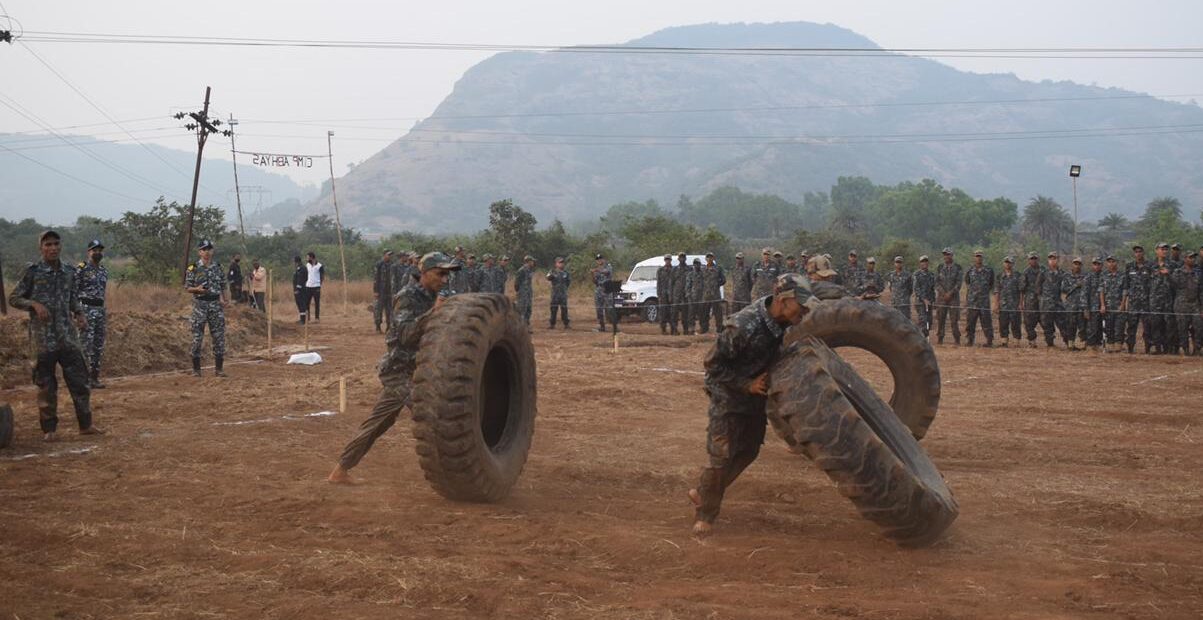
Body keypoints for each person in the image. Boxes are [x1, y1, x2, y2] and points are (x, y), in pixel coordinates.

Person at [688, 273, 821, 536]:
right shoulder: (742, 326)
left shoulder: (787, 323)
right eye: (801, 304)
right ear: (783, 300)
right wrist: (745, 384)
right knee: (722, 456)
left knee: (748, 452)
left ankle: (704, 491)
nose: (805, 311)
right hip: (727, 395)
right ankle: (705, 515)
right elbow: (712, 367)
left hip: (755, 399)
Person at [329, 252, 458, 484]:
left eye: (447, 275)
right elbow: (406, 336)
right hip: (400, 371)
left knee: (380, 421)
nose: (445, 279)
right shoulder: (407, 297)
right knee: (433, 415)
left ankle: (341, 469)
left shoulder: (435, 296)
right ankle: (454, 473)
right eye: (440, 274)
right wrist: (435, 313)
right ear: (425, 273)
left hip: (419, 370)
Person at [8, 230, 105, 442]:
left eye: (56, 244)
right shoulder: (33, 272)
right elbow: (14, 298)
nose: (53, 248)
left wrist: (79, 314)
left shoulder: (69, 271)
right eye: (48, 244)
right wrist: (33, 304)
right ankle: (49, 429)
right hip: (43, 339)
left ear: (60, 246)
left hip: (67, 336)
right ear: (41, 248)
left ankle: (86, 424)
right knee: (46, 385)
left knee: (80, 381)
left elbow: (72, 298)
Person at [185, 239, 229, 377]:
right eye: (204, 249)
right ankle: (196, 369)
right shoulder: (193, 268)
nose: (207, 252)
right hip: (200, 305)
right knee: (197, 337)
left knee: (219, 337)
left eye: (209, 249)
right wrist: (197, 289)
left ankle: (219, 369)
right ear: (199, 252)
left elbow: (223, 285)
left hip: (215, 305)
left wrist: (224, 299)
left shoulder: (218, 267)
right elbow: (187, 287)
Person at [75, 239, 109, 388]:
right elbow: (73, 291)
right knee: (85, 346)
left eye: (100, 250)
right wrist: (77, 313)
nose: (97, 253)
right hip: (86, 309)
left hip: (100, 310)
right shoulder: (81, 269)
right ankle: (82, 380)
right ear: (89, 251)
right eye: (95, 250)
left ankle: (94, 378)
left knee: (98, 345)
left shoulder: (103, 271)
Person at [1170, 251, 1202, 356]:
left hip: (1195, 305)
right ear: (1185, 259)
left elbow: (1201, 291)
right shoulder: (1177, 272)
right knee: (1182, 328)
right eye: (1190, 257)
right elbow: (1173, 287)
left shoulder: (1198, 273)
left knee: (1199, 328)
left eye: (1194, 257)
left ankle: (1197, 349)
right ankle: (1185, 349)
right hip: (1181, 305)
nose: (1193, 259)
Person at [1123, 245, 1153, 354]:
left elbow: (1152, 284)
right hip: (1133, 303)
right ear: (1134, 254)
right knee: (1131, 326)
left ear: (1143, 253)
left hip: (1146, 302)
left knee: (1147, 327)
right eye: (1136, 252)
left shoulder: (1149, 266)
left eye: (1140, 251)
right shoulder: (1129, 266)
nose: (1138, 253)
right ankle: (1130, 348)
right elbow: (1126, 285)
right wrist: (1123, 303)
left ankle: (1148, 348)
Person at [962, 250, 994, 347]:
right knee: (970, 322)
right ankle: (969, 340)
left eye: (980, 256)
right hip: (972, 301)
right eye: (977, 256)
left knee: (987, 322)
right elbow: (967, 283)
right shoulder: (970, 270)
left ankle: (989, 341)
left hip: (984, 301)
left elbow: (991, 284)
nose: (978, 258)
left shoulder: (989, 270)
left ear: (982, 258)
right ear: (974, 257)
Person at [1148, 243, 1174, 354]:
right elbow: (1145, 282)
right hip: (1155, 300)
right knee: (1155, 324)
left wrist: (1169, 274)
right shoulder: (1150, 265)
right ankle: (1157, 348)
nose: (1164, 251)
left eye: (1166, 249)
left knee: (1168, 325)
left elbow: (1177, 282)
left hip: (1168, 299)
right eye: (1162, 249)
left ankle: (1167, 348)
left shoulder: (1172, 265)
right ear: (1156, 250)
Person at [935, 248, 963, 345]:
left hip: (953, 298)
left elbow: (959, 283)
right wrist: (943, 293)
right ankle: (940, 338)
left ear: (952, 255)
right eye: (945, 254)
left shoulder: (958, 268)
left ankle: (957, 339)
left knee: (954, 320)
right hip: (942, 298)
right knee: (941, 319)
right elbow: (937, 282)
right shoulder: (940, 267)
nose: (946, 256)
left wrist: (950, 293)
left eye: (948, 254)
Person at [1099, 255, 1127, 352]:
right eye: (1109, 262)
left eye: (1113, 261)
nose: (1111, 264)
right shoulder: (1104, 276)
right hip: (1108, 307)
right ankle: (1110, 345)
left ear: (1117, 263)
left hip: (1119, 306)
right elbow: (1101, 291)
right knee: (1109, 327)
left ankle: (1118, 346)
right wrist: (1102, 305)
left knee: (1119, 327)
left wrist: (1123, 305)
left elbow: (1124, 291)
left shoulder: (1122, 276)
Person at [1038, 252, 1066, 348]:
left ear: (1058, 260)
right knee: (1047, 325)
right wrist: (1044, 298)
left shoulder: (1062, 273)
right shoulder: (1043, 273)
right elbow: (1038, 288)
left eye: (1054, 258)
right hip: (1046, 305)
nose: (1052, 261)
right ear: (1048, 261)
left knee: (1063, 324)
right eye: (1050, 259)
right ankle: (1050, 344)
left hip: (1058, 304)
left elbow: (1065, 288)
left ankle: (1068, 343)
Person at [1061, 257, 1089, 350]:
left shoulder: (1086, 276)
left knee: (1083, 327)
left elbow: (1087, 290)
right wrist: (1075, 285)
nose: (1077, 266)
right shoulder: (1067, 276)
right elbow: (1064, 289)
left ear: (1081, 265)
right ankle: (1071, 345)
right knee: (1070, 326)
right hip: (1070, 306)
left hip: (1082, 306)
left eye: (1079, 264)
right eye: (1075, 264)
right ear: (1072, 264)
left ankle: (1083, 344)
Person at [994, 256, 1021, 347]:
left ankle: (1016, 342)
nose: (1007, 264)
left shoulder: (1018, 275)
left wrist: (1021, 303)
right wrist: (996, 304)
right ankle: (1004, 342)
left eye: (1009, 262)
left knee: (1016, 324)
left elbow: (1021, 291)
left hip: (1015, 304)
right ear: (1003, 263)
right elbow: (997, 291)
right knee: (1003, 323)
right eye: (1006, 262)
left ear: (1013, 264)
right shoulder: (999, 276)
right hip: (1003, 305)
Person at [1019, 252, 1043, 348]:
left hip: (1042, 300)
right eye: (1031, 258)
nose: (1033, 260)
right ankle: (1032, 341)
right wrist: (1021, 303)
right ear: (1028, 260)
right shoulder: (1026, 272)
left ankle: (1050, 342)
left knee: (1046, 321)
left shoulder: (1043, 270)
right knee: (1029, 322)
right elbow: (1022, 289)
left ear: (1038, 259)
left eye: (1035, 258)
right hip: (1030, 301)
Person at [699, 252, 726, 334]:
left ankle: (719, 329)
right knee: (704, 313)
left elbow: (723, 280)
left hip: (715, 295)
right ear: (706, 259)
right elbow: (700, 280)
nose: (709, 259)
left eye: (711, 257)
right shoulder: (703, 269)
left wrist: (717, 284)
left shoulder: (718, 268)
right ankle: (704, 329)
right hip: (705, 295)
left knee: (718, 313)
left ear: (713, 258)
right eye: (708, 257)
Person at [1084, 257, 1105, 350]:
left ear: (1101, 265)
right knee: (1092, 328)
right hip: (1092, 307)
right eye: (1095, 264)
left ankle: (1099, 344)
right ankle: (1090, 345)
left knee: (1102, 328)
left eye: (1098, 264)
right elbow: (1084, 294)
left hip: (1104, 307)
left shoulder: (1105, 276)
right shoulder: (1088, 277)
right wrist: (1086, 308)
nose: (1096, 266)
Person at [912, 256, 936, 337]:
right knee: (923, 321)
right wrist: (924, 299)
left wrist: (933, 300)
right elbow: (916, 289)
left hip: (929, 302)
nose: (924, 263)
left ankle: (926, 337)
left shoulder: (931, 275)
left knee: (929, 321)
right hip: (920, 302)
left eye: (926, 261)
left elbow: (933, 289)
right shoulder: (916, 275)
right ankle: (922, 339)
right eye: (922, 261)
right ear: (920, 263)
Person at [372, 250, 394, 333]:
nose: (390, 256)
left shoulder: (392, 265)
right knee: (378, 310)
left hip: (390, 291)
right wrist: (375, 291)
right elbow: (376, 278)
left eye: (390, 255)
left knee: (389, 311)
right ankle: (378, 327)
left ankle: (389, 327)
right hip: (381, 291)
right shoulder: (379, 265)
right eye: (388, 255)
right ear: (384, 255)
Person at [547, 256, 571, 329]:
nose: (562, 264)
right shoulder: (552, 271)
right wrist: (551, 276)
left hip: (563, 294)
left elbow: (568, 282)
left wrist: (564, 289)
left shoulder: (566, 273)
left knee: (564, 309)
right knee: (553, 309)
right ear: (556, 264)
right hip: (555, 294)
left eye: (562, 262)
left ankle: (566, 324)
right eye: (560, 262)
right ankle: (552, 324)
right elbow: (547, 277)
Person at [590, 253, 613, 332]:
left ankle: (614, 326)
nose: (599, 261)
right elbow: (595, 281)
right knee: (599, 309)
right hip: (599, 289)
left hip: (607, 288)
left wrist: (596, 270)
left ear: (603, 259)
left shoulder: (608, 266)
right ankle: (602, 326)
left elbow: (607, 272)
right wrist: (592, 274)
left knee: (610, 308)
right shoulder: (597, 269)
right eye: (597, 259)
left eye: (600, 259)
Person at [670, 252, 690, 336]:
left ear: (685, 258)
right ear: (678, 259)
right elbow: (671, 283)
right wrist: (671, 296)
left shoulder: (689, 269)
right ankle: (674, 330)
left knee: (685, 314)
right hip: (676, 295)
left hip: (685, 295)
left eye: (683, 257)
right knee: (674, 314)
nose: (682, 259)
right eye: (680, 257)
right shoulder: (674, 269)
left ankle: (686, 330)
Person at [656, 254, 674, 335]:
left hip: (672, 294)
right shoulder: (660, 270)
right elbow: (658, 283)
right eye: (666, 259)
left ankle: (673, 329)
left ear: (671, 260)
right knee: (663, 312)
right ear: (664, 260)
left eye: (669, 259)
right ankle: (663, 329)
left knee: (672, 313)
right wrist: (659, 295)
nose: (667, 261)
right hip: (663, 294)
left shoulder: (674, 270)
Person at [515, 255, 535, 326]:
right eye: (532, 261)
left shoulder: (530, 270)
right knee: (521, 310)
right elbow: (517, 283)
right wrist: (520, 292)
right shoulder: (521, 270)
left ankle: (526, 325)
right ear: (528, 261)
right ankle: (520, 326)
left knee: (528, 310)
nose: (533, 263)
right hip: (522, 293)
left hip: (528, 293)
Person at [305, 252, 324, 322]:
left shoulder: (319, 266)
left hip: (316, 287)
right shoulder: (307, 265)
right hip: (308, 286)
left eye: (308, 257)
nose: (307, 259)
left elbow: (322, 276)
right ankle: (307, 318)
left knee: (316, 303)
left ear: (311, 257)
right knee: (307, 302)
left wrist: (319, 284)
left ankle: (317, 318)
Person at [687, 258, 705, 334]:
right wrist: (689, 296)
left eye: (698, 263)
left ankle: (702, 328)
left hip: (702, 298)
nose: (696, 265)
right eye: (695, 264)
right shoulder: (690, 274)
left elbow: (706, 285)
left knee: (702, 314)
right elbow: (688, 286)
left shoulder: (704, 273)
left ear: (700, 264)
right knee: (691, 315)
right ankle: (691, 329)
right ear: (693, 265)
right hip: (693, 298)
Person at [292, 255, 309, 324]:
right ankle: (301, 319)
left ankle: (303, 320)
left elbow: (300, 280)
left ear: (296, 262)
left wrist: (297, 289)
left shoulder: (302, 269)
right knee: (299, 304)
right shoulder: (298, 268)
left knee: (301, 304)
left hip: (301, 290)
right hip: (298, 289)